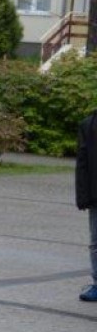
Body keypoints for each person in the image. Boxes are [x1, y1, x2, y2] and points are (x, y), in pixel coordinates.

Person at [76, 111, 97, 302]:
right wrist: (82, 196)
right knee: (96, 242)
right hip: (95, 194)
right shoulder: (88, 125)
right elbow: (82, 164)